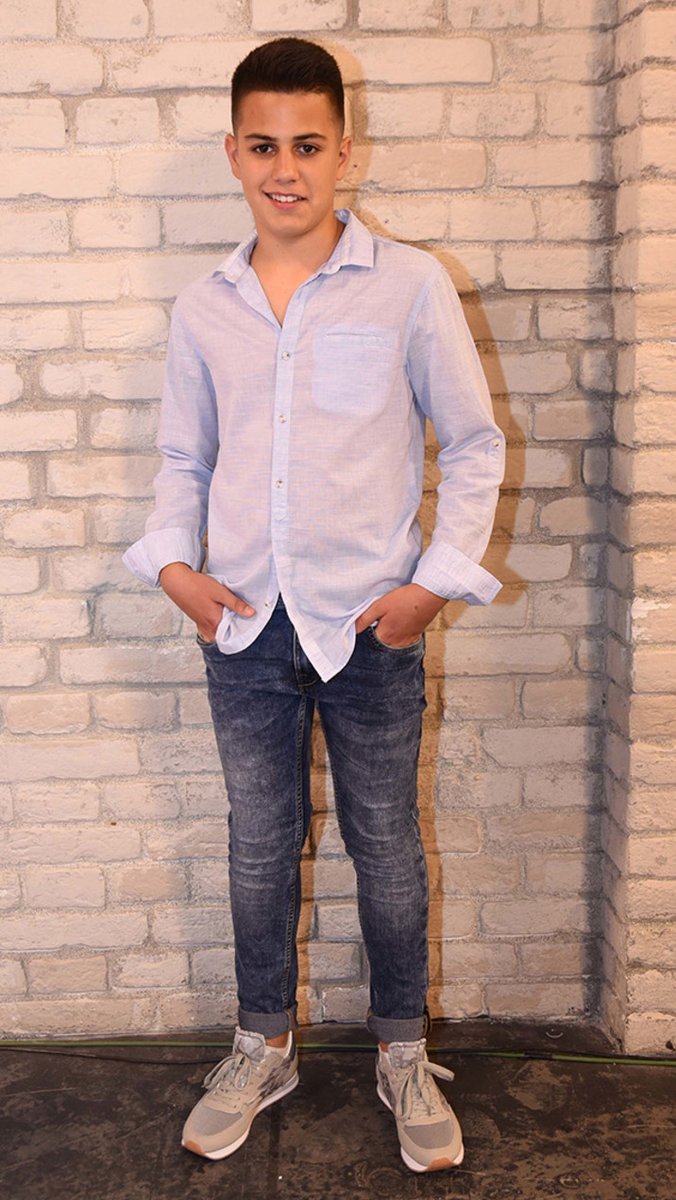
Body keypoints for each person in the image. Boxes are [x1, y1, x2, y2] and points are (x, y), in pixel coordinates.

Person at [121, 36, 505, 1174]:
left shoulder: (408, 285)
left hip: (370, 624)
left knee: (386, 845)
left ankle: (402, 1053)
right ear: (232, 153)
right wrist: (176, 571)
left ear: (346, 151)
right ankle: (262, 1044)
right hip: (244, 622)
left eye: (306, 144)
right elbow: (183, 456)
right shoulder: (206, 306)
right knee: (258, 845)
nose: (283, 168)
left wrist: (432, 585)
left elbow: (473, 443)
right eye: (262, 145)